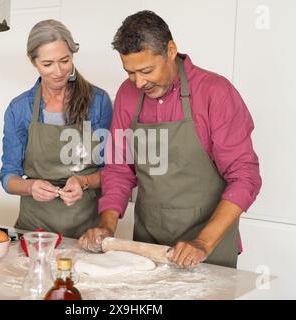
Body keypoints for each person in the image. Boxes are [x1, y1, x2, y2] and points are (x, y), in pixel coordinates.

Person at [79, 11, 262, 268]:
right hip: (147, 245)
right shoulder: (127, 94)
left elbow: (245, 177)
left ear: (171, 51)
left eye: (146, 70)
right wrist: (106, 227)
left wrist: (203, 243)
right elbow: (119, 169)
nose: (139, 82)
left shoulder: (215, 93)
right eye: (130, 72)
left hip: (208, 248)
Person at [0, 20, 113, 238]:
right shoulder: (19, 108)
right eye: (48, 64)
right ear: (33, 62)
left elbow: (113, 171)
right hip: (34, 232)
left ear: (73, 54)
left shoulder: (98, 102)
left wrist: (83, 181)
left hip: (86, 231)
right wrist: (30, 187)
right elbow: (8, 176)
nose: (58, 71)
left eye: (65, 60)